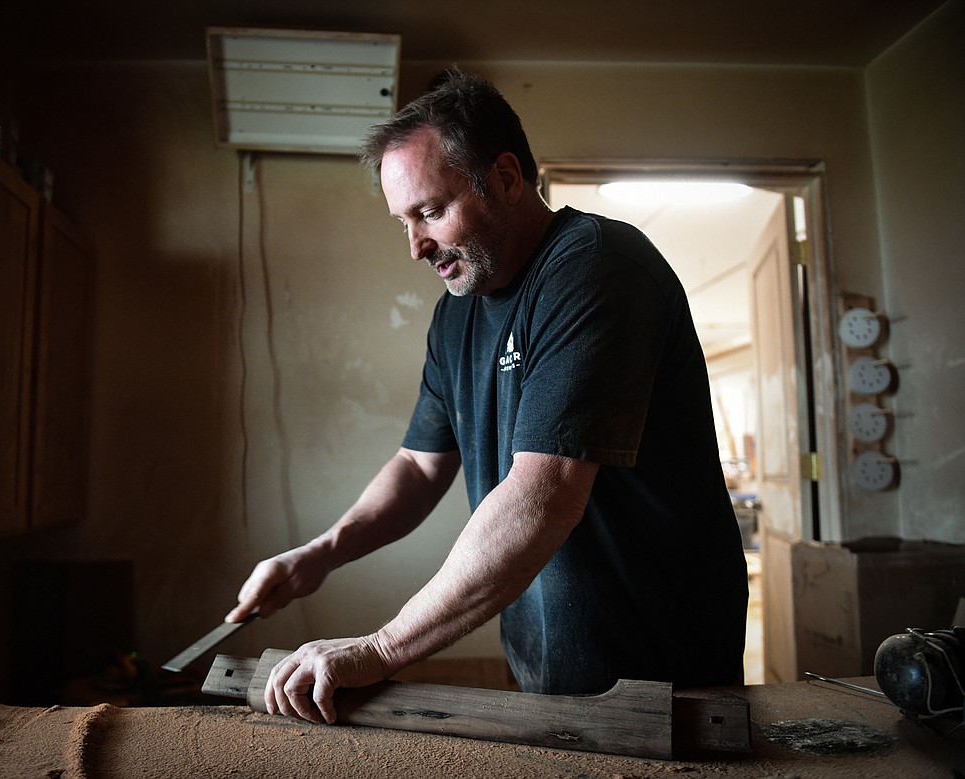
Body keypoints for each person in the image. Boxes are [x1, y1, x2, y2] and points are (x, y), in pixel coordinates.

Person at [225, 68, 748, 725]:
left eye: (430, 211)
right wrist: (319, 555)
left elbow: (545, 493)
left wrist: (381, 647)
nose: (415, 246)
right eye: (402, 220)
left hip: (666, 669)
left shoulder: (597, 267)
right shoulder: (458, 314)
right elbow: (419, 466)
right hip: (550, 667)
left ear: (505, 177)